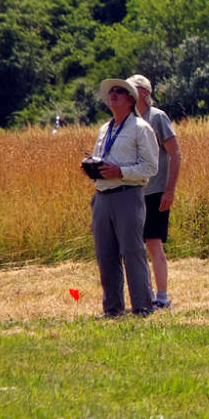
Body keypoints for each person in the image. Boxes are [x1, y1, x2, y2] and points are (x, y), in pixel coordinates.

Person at [83, 78, 158, 317]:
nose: (112, 94)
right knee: (105, 254)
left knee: (132, 251)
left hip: (128, 195)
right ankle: (113, 309)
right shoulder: (104, 130)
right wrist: (92, 169)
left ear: (130, 100)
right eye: (111, 91)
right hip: (102, 196)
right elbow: (100, 158)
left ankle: (142, 308)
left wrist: (121, 172)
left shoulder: (141, 128)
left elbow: (150, 167)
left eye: (119, 91)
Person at [127, 74, 182, 311]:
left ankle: (162, 296)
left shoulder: (157, 117)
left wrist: (169, 191)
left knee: (153, 242)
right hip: (133, 191)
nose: (124, 91)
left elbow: (176, 154)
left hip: (155, 191)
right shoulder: (127, 120)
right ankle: (146, 294)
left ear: (144, 93)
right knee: (135, 245)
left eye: (131, 88)